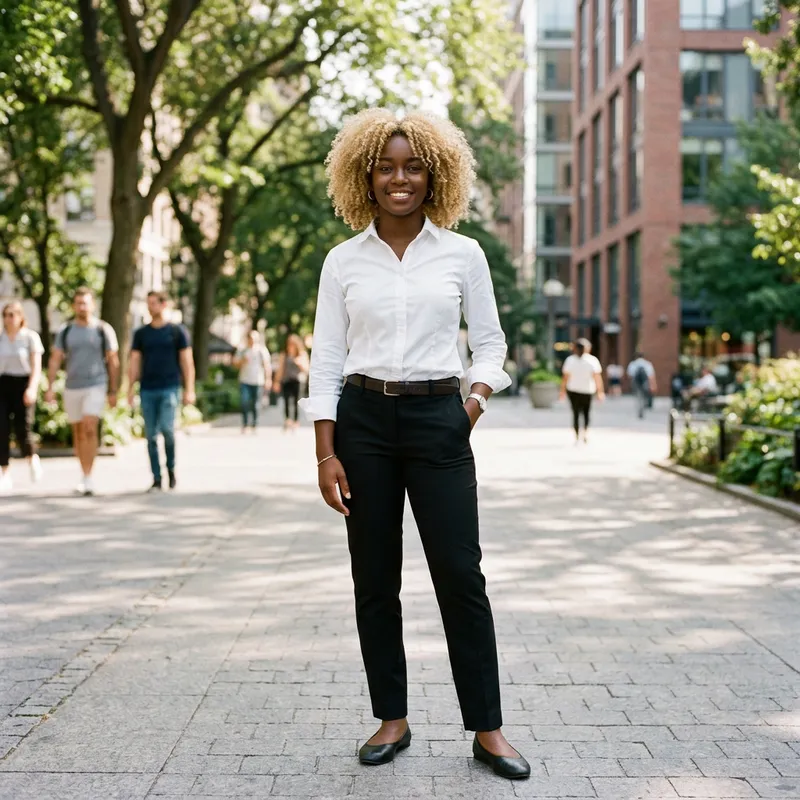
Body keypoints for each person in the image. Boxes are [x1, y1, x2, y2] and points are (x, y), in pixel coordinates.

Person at [300, 109, 530, 780]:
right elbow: (325, 360)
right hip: (361, 423)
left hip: (440, 421)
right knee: (374, 579)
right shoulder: (342, 262)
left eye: (413, 166)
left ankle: (488, 730)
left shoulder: (463, 253)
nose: (399, 178)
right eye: (386, 166)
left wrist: (473, 404)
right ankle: (391, 718)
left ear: (435, 175)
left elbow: (490, 343)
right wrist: (325, 450)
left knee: (461, 577)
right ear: (364, 174)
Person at [46, 287, 119, 496]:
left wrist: (113, 390)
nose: (82, 307)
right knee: (78, 432)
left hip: (96, 384)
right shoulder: (66, 331)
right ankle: (83, 474)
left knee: (89, 427)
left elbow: (113, 360)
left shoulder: (103, 329)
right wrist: (50, 387)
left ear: (92, 305)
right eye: (78, 303)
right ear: (73, 306)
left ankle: (89, 477)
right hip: (72, 386)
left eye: (85, 303)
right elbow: (55, 358)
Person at [128, 291, 195, 491]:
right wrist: (130, 389)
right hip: (147, 388)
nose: (150, 307)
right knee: (150, 436)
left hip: (170, 388)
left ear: (163, 305)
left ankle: (171, 469)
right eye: (148, 304)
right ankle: (156, 478)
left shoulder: (177, 332)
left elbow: (187, 361)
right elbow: (134, 362)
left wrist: (189, 389)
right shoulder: (141, 334)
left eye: (154, 303)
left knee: (167, 429)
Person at [0, 301, 44, 493]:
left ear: (20, 317)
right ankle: (4, 472)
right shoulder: (0, 338)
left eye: (12, 315)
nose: (9, 319)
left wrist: (32, 388)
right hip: (2, 384)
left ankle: (31, 457)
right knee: (1, 429)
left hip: (22, 384)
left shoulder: (30, 338)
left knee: (22, 427)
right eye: (6, 315)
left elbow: (36, 366)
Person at [559, 338, 605, 444]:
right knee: (586, 413)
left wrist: (562, 391)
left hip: (573, 390)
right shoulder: (592, 360)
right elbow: (597, 378)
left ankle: (577, 434)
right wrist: (600, 392)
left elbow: (565, 378)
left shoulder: (570, 360)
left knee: (575, 413)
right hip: (587, 390)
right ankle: (585, 432)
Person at [234, 330, 271, 433]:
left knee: (256, 404)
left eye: (254, 339)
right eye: (251, 338)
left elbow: (267, 366)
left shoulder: (262, 350)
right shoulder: (242, 350)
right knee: (244, 402)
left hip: (258, 381)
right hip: (244, 380)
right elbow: (235, 363)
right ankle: (245, 424)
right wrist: (242, 361)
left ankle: (254, 424)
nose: (252, 341)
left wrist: (268, 379)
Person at [273, 333, 309, 431]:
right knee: (286, 401)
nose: (290, 346)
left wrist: (300, 363)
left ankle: (296, 421)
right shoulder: (284, 355)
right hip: (286, 380)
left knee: (296, 401)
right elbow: (280, 369)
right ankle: (288, 420)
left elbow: (307, 369)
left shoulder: (302, 354)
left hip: (298, 381)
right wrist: (276, 381)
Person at [627, 351, 657, 419]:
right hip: (645, 382)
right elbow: (651, 376)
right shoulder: (647, 364)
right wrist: (653, 385)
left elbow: (630, 375)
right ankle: (643, 407)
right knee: (644, 396)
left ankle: (639, 408)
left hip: (636, 383)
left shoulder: (633, 364)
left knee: (638, 396)